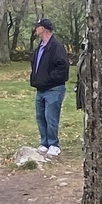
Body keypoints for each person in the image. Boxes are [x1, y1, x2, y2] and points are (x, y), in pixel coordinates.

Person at [30, 18, 69, 158]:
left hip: (54, 88)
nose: (36, 29)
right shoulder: (40, 46)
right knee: (41, 116)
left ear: (44, 29)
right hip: (41, 89)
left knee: (51, 116)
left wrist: (47, 79)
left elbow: (62, 67)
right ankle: (45, 143)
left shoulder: (56, 46)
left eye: (38, 26)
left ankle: (54, 145)